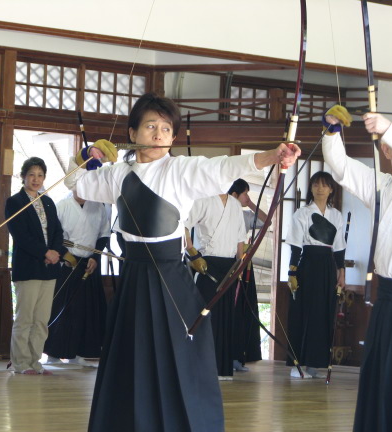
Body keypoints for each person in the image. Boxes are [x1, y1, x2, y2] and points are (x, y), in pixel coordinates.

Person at [64, 92, 300, 431]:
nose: (158, 135)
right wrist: (86, 157)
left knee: (177, 355)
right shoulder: (118, 174)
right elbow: (77, 183)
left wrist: (271, 156)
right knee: (130, 357)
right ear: (132, 133)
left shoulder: (180, 170)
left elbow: (222, 168)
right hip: (133, 277)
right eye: (150, 126)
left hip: (169, 278)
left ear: (173, 138)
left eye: (166, 129)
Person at [322, 105, 392, 432]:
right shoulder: (382, 187)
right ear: (386, 150)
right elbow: (341, 168)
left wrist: (387, 128)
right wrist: (332, 130)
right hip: (387, 300)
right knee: (384, 379)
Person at [6, 157, 67, 375]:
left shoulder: (48, 201)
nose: (36, 179)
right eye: (31, 175)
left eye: (40, 175)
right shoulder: (15, 202)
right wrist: (45, 252)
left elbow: (58, 231)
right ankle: (21, 363)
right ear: (23, 177)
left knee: (41, 319)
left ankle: (35, 361)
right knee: (25, 318)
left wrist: (55, 252)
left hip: (49, 269)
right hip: (28, 267)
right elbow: (21, 236)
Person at [285, 171, 346, 379]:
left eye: (324, 185)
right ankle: (298, 364)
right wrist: (292, 272)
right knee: (305, 312)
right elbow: (295, 246)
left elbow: (339, 248)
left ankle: (315, 364)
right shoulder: (302, 213)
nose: (320, 188)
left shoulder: (336, 215)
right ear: (311, 188)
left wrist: (341, 273)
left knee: (323, 314)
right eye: (316, 185)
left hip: (328, 267)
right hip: (308, 265)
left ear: (331, 189)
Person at [185, 192, 247, 379]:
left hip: (229, 267)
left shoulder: (235, 205)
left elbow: (240, 238)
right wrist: (193, 253)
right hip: (206, 264)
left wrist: (240, 264)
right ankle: (202, 367)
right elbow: (184, 226)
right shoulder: (203, 199)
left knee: (226, 317)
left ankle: (222, 368)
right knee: (206, 317)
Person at [44, 191, 110, 367]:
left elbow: (104, 234)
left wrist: (95, 257)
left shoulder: (98, 206)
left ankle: (80, 353)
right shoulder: (62, 205)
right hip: (67, 262)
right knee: (64, 308)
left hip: (89, 263)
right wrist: (65, 254)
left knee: (86, 310)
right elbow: (53, 234)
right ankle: (53, 354)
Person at [227, 179, 264, 368]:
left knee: (241, 310)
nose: (247, 197)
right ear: (234, 195)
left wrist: (250, 203)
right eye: (245, 193)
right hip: (226, 264)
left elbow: (267, 221)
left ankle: (237, 357)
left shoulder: (247, 215)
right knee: (227, 311)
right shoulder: (221, 212)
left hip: (242, 266)